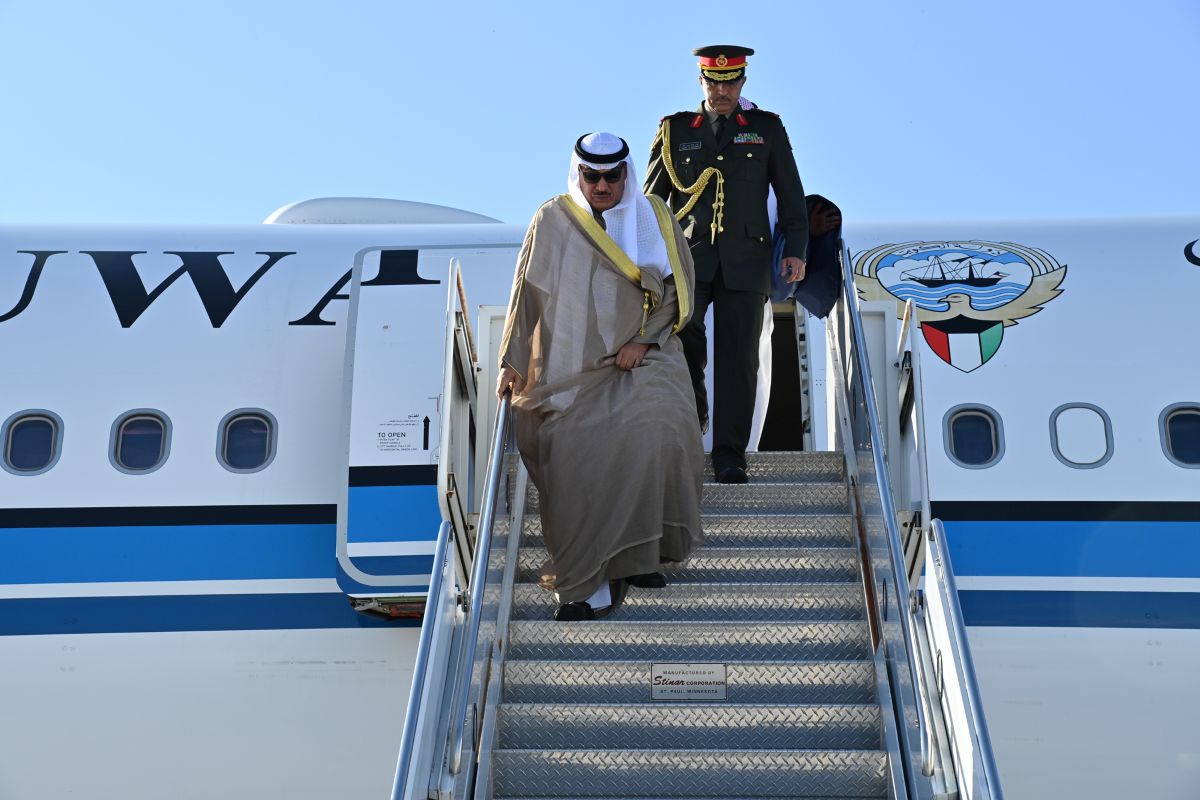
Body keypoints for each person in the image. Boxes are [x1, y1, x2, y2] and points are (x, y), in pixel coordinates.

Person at [497, 132, 704, 622]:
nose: (603, 186)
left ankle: (642, 556)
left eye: (612, 176)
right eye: (592, 176)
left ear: (626, 175)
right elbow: (526, 292)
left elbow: (679, 289)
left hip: (645, 354)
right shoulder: (553, 218)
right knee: (571, 448)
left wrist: (643, 341)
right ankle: (584, 584)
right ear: (579, 174)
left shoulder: (654, 215)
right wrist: (512, 361)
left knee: (659, 427)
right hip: (573, 367)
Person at [645, 45, 809, 483]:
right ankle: (695, 410)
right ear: (701, 82)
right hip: (689, 258)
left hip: (747, 259)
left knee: (739, 359)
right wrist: (646, 259)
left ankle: (730, 455)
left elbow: (791, 193)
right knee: (680, 338)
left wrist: (796, 248)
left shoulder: (766, 129)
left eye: (730, 83)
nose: (722, 92)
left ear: (742, 83)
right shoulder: (675, 130)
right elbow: (653, 203)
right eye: (714, 84)